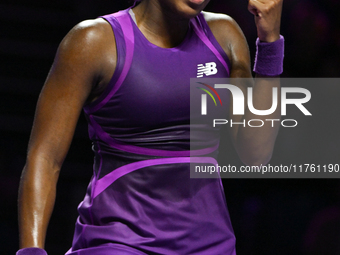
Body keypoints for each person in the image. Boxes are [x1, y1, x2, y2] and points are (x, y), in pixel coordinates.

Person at [17, 0, 284, 254]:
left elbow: (255, 155)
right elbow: (45, 158)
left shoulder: (225, 35)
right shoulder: (93, 42)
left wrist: (269, 41)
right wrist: (31, 251)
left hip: (211, 243)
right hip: (118, 242)